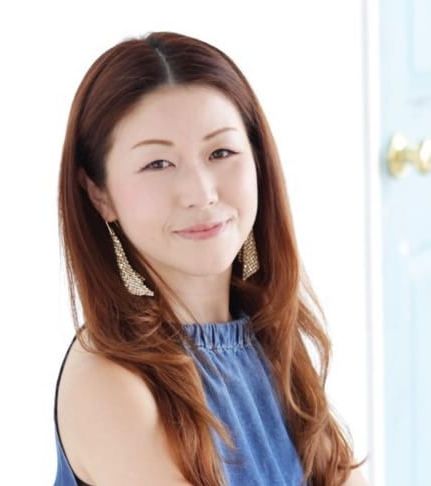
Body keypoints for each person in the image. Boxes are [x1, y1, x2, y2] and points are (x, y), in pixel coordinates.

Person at [53, 31, 368, 486]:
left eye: (221, 152)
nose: (201, 193)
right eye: (158, 164)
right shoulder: (110, 382)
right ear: (99, 193)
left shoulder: (267, 334)